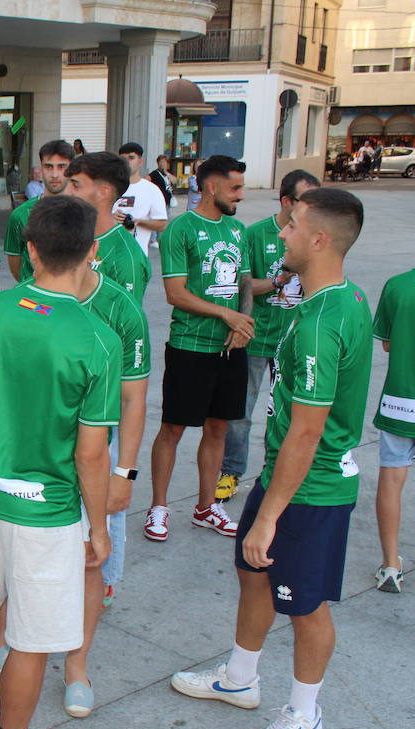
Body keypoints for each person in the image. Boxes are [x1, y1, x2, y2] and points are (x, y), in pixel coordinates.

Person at [171, 188, 371, 729]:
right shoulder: (328, 301)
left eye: (291, 226)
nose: (279, 233)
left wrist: (272, 516)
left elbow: (308, 433)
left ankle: (305, 716)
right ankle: (240, 677)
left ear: (319, 240)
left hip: (310, 488)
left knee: (305, 604)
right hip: (285, 477)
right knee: (252, 574)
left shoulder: (320, 324)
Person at [0, 194, 119, 729]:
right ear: (92, 252)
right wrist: (98, 528)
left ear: (30, 252)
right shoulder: (96, 339)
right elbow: (90, 453)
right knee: (32, 637)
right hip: (46, 509)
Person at [59, 152, 152, 716]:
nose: (64, 188)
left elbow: (134, 394)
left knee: (91, 557)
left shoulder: (120, 302)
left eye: (76, 182)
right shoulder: (30, 297)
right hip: (35, 449)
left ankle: (77, 666)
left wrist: (123, 470)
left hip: (96, 446)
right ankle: (11, 647)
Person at [145, 155, 252, 544]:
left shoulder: (239, 231)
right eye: (235, 188)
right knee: (172, 427)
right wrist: (227, 315)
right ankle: (159, 506)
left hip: (231, 348)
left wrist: (244, 324)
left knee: (219, 427)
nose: (240, 195)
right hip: (190, 347)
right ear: (211, 187)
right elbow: (176, 293)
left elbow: (244, 285)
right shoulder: (181, 230)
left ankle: (207, 507)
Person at [217, 169, 321, 503]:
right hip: (258, 338)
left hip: (293, 340)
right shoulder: (257, 234)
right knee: (241, 413)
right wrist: (279, 280)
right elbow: (244, 285)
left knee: (288, 411)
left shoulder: (314, 236)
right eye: (307, 200)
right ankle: (231, 472)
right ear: (287, 201)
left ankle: (279, 473)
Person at [371, 209, 415, 593]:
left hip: (398, 403)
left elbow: (386, 341)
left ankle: (390, 565)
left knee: (391, 479)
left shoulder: (397, 285)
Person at [5, 139, 75, 283]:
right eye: (49, 167)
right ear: (41, 168)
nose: (55, 174)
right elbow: (15, 263)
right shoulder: (20, 215)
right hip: (31, 300)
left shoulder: (85, 213)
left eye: (62, 166)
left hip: (72, 299)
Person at [114, 142, 169, 251]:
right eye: (123, 159)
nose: (126, 162)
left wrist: (139, 222)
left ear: (140, 161)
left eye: (131, 158)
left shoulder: (151, 190)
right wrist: (111, 218)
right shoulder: (110, 187)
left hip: (137, 254)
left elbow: (162, 224)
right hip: (109, 255)